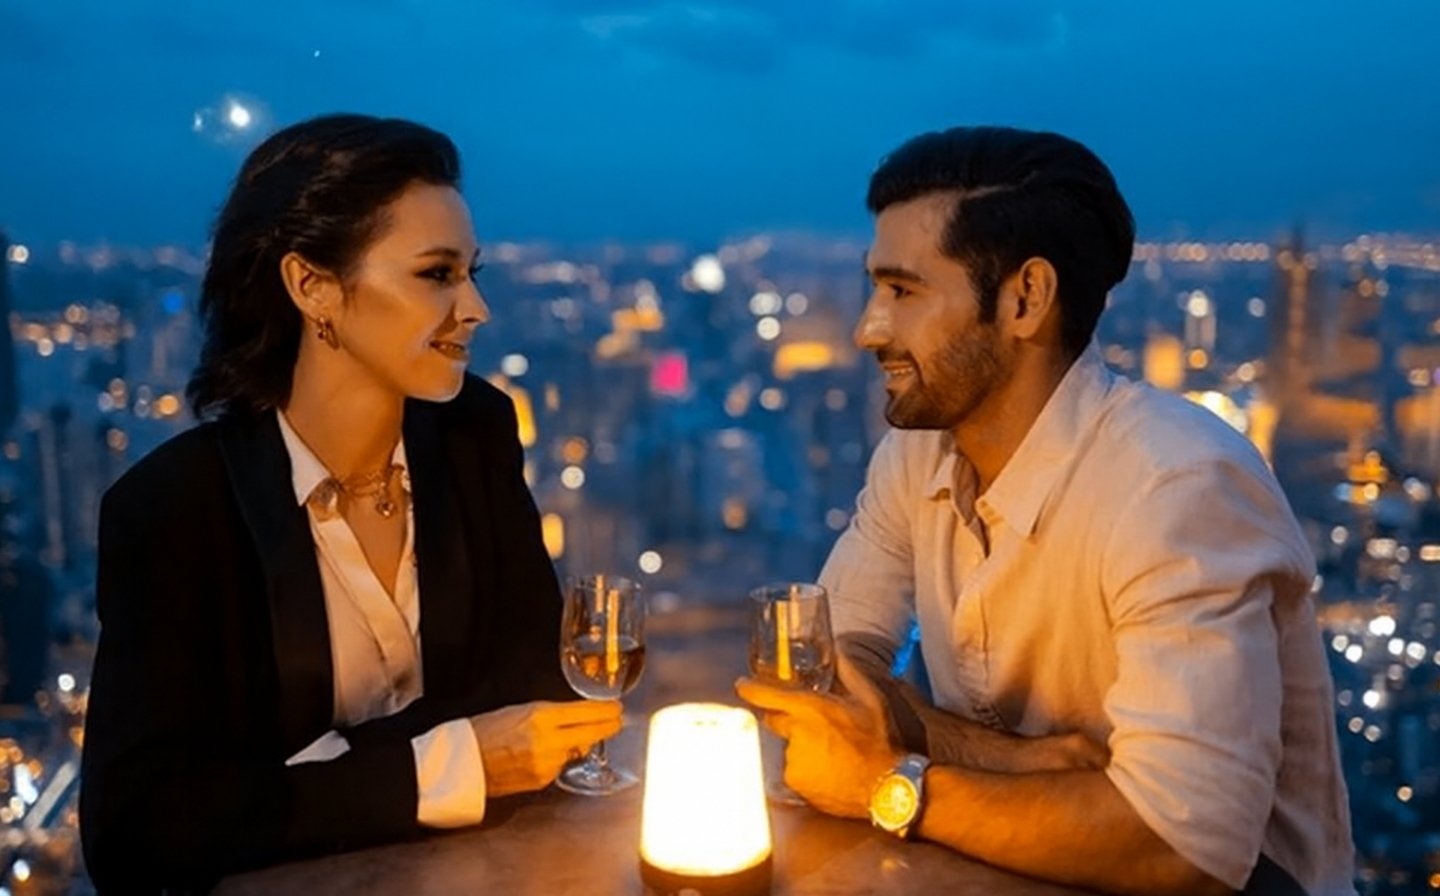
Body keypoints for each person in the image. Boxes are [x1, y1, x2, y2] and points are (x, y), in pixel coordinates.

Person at [739, 126, 1354, 896]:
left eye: (902, 291)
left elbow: (1184, 844)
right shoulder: (917, 454)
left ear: (1025, 298)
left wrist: (889, 780)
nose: (869, 328)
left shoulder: (1177, 487)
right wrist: (1042, 763)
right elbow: (828, 686)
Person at [79, 114, 621, 893]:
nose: (476, 309)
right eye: (436, 274)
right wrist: (448, 762)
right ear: (312, 286)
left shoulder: (477, 432)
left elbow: (537, 684)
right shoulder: (176, 508)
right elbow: (136, 828)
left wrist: (304, 773)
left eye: (473, 272)